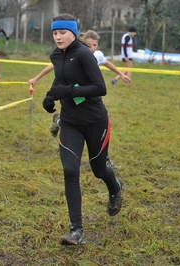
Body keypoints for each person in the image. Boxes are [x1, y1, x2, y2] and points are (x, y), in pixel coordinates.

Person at [42, 13, 123, 245]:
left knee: (99, 169)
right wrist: (50, 97)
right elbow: (60, 79)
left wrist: (66, 92)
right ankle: (76, 229)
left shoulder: (85, 55)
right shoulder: (55, 55)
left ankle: (115, 187)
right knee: (70, 171)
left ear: (74, 33)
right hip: (69, 122)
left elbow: (100, 87)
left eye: (62, 32)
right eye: (55, 33)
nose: (58, 37)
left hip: (95, 121)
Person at [29, 30, 128, 169]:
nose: (92, 48)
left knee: (99, 126)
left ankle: (104, 159)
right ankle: (60, 121)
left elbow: (107, 63)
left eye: (95, 45)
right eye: (88, 45)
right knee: (74, 118)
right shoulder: (75, 54)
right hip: (72, 98)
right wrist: (36, 78)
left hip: (91, 99)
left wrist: (121, 74)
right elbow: (53, 66)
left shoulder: (97, 56)